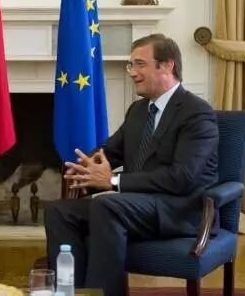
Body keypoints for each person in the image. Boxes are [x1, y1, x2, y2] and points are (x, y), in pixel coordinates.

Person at [44, 34, 219, 296]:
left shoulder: (197, 113)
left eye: (140, 64)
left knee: (107, 205)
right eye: (130, 65)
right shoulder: (138, 110)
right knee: (58, 211)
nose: (132, 73)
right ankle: (70, 292)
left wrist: (113, 181)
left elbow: (182, 177)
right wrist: (84, 166)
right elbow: (110, 151)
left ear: (167, 65)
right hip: (135, 205)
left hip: (179, 209)